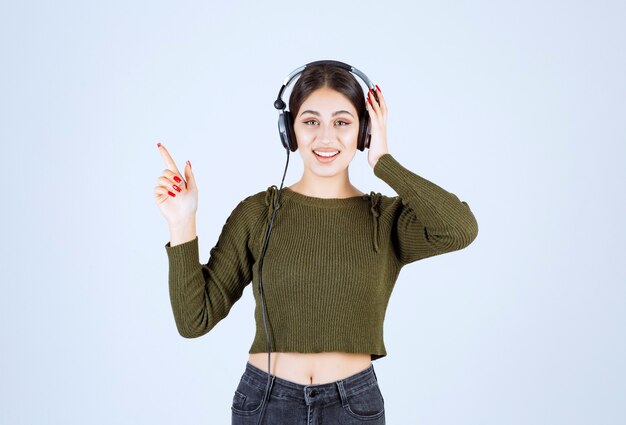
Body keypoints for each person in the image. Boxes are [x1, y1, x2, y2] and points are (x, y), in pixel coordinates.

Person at [154, 61, 478, 424]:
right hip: (265, 401)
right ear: (289, 131)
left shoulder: (385, 218)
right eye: (311, 122)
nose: (326, 137)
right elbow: (194, 320)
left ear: (365, 131)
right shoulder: (258, 213)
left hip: (353, 405)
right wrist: (182, 221)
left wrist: (384, 161)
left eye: (342, 122)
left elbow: (459, 228)